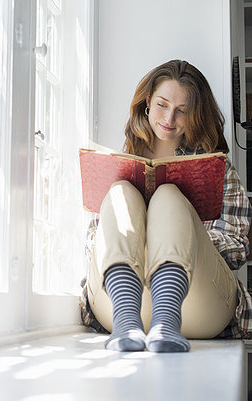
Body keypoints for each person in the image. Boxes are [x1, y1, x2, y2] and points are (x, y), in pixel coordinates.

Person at [79, 59, 252, 352]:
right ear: (147, 103)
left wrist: (177, 235)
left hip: (197, 305)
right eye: (162, 104)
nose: (169, 118)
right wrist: (139, 240)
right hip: (116, 305)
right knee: (121, 191)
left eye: (182, 110)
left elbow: (239, 246)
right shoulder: (121, 164)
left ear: (194, 114)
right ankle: (126, 322)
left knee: (169, 195)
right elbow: (93, 245)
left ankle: (166, 319)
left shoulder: (216, 167)